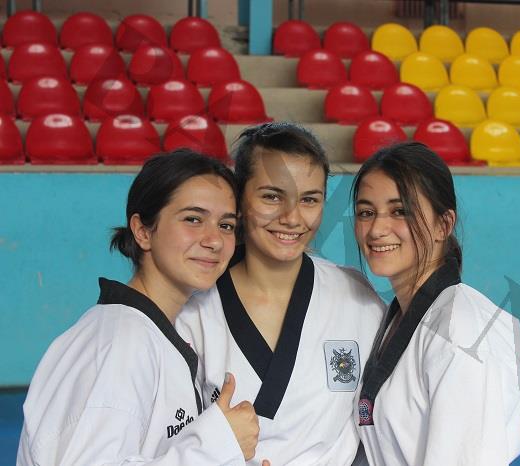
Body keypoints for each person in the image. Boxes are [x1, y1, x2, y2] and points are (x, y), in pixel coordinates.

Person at [17, 150, 266, 466]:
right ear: (143, 231)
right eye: (193, 219)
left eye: (226, 225)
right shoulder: (122, 342)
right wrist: (218, 446)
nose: (215, 240)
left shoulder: (148, 333)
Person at [176, 123, 385, 466]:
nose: (292, 218)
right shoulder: (192, 309)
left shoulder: (357, 298)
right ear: (239, 199)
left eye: (309, 200)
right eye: (272, 196)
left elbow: (382, 426)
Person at [352, 142, 520, 465]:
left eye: (400, 211)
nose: (376, 229)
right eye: (366, 212)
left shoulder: (461, 329)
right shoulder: (397, 316)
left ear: (443, 225)